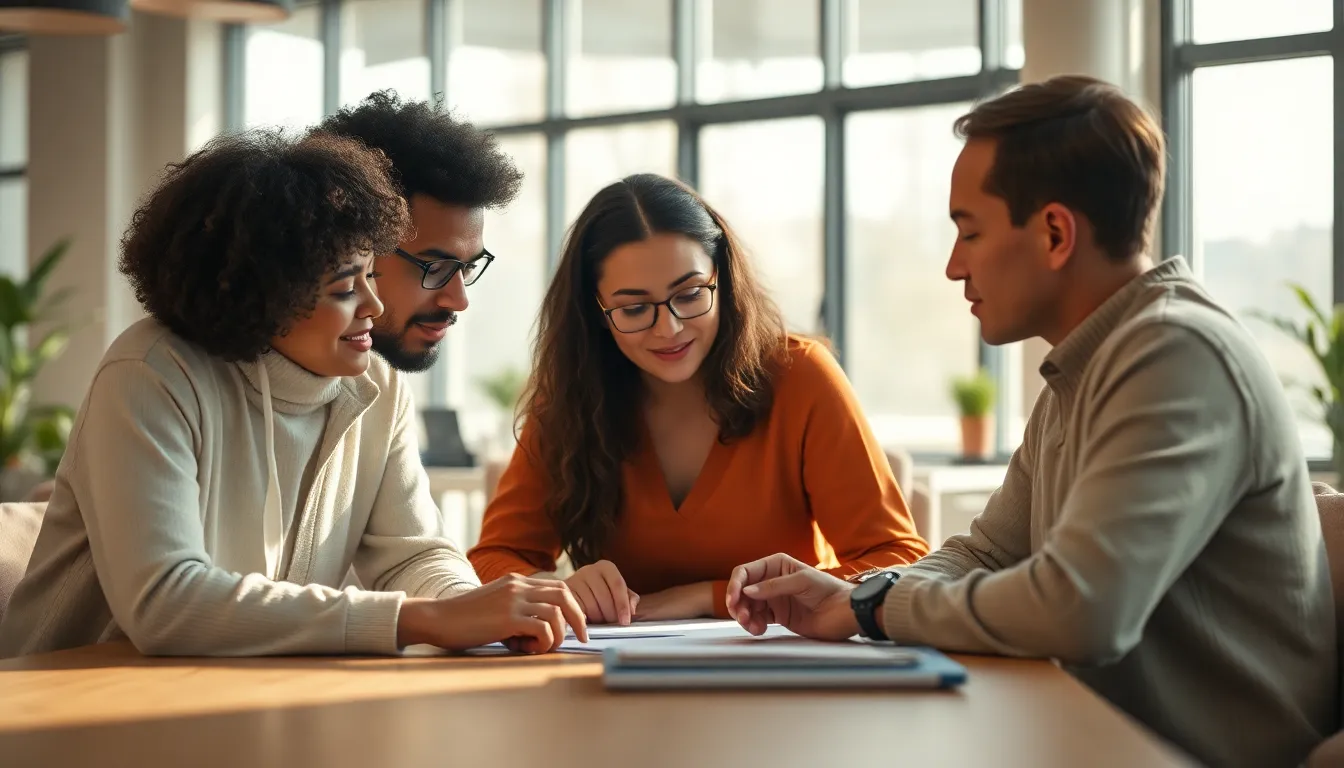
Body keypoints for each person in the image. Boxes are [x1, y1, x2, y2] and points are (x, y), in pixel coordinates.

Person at [724, 75, 1337, 768]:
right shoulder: (1088, 366)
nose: (954, 266)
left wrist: (871, 611)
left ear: (1054, 233)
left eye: (969, 232)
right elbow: (987, 554)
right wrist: (861, 593)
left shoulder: (1176, 355)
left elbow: (1081, 610)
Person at [0, 131, 585, 658]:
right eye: (345, 288)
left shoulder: (377, 388)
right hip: (70, 698)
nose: (374, 305)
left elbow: (414, 555)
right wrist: (419, 619)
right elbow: (165, 601)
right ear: (266, 295)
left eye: (370, 277)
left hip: (236, 697)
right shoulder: (151, 373)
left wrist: (476, 611)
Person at [467, 173, 929, 625]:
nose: (669, 328)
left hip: (785, 658)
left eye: (689, 295)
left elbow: (898, 562)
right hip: (622, 664)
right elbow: (493, 559)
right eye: (634, 308)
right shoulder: (571, 398)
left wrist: (706, 597)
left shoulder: (802, 377)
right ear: (596, 312)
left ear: (722, 279)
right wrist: (559, 589)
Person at [317, 90, 523, 373]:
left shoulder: (385, 390)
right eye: (436, 268)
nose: (459, 301)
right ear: (353, 251)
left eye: (467, 269)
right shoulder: (249, 390)